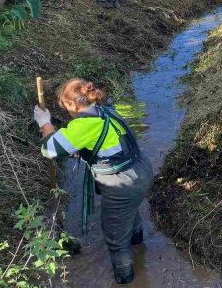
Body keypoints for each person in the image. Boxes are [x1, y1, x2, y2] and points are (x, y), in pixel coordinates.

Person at [33, 79, 153, 285]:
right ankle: (138, 247)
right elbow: (110, 143)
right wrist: (84, 150)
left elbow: (50, 149)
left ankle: (127, 280)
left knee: (115, 238)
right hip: (141, 170)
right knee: (130, 213)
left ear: (72, 104)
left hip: (122, 183)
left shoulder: (83, 125)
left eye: (65, 106)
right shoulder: (106, 111)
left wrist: (45, 122)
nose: (66, 112)